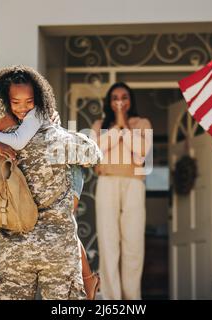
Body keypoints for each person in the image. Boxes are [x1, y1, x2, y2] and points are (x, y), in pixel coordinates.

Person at [0, 66, 102, 300]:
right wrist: (56, 127)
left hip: (15, 251)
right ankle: (89, 280)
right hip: (57, 249)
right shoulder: (53, 137)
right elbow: (93, 154)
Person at [91, 82, 152, 300]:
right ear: (109, 102)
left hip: (134, 185)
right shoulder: (99, 125)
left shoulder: (142, 123)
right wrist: (116, 127)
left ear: (130, 101)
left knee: (133, 244)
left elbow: (142, 150)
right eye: (115, 97)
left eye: (124, 97)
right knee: (108, 242)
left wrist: (122, 124)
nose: (119, 101)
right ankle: (111, 299)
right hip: (107, 183)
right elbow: (95, 152)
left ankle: (132, 298)